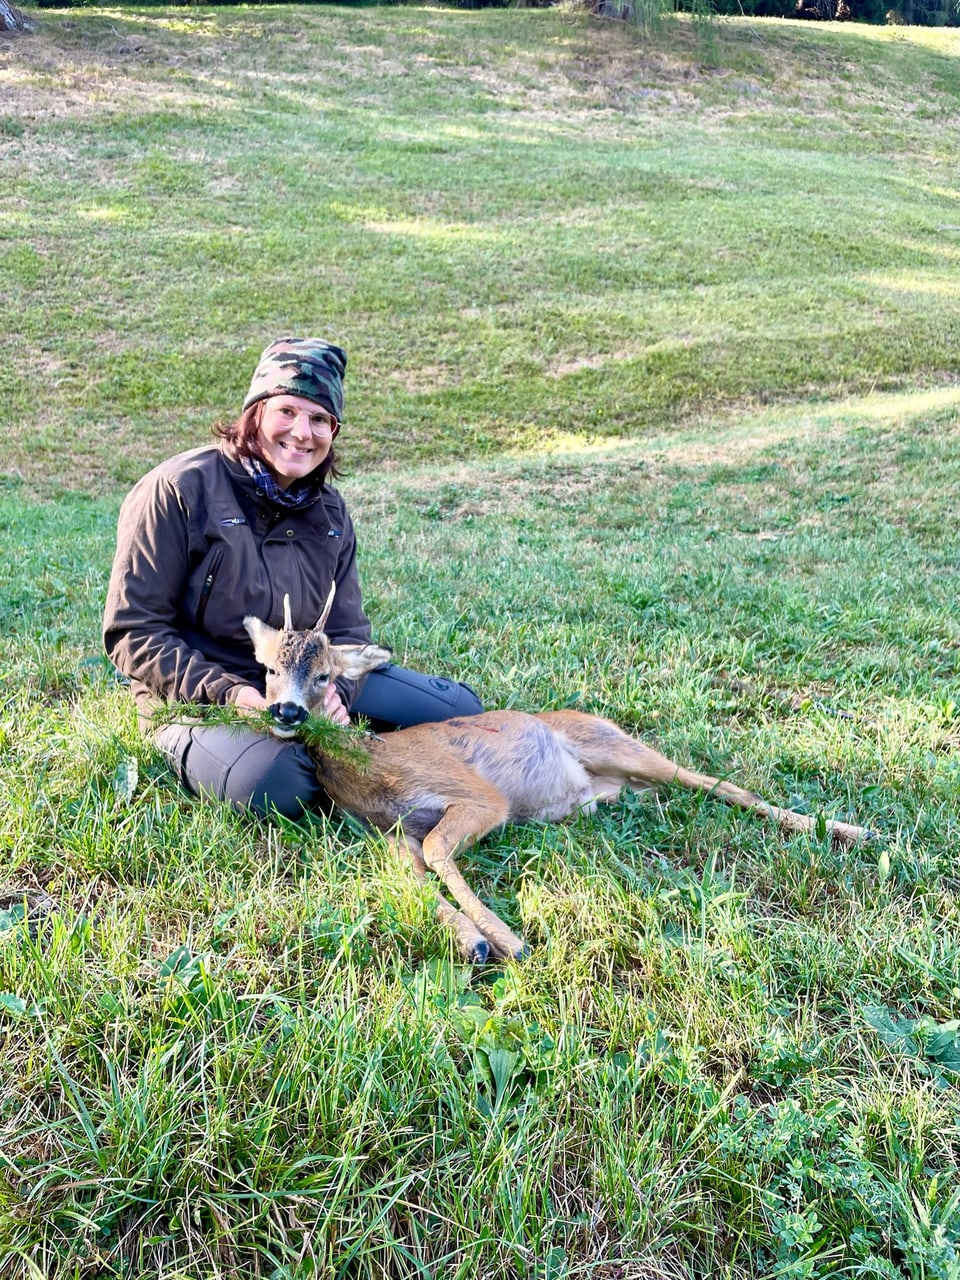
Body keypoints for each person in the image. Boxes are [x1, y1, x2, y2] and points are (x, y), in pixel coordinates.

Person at [103, 337, 483, 819]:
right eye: (287, 411)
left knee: (461, 714)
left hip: (307, 679)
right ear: (255, 412)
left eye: (320, 419)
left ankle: (349, 743)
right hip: (201, 695)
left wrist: (336, 697)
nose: (303, 432)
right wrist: (234, 694)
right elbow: (133, 632)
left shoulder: (330, 512)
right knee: (279, 784)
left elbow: (347, 631)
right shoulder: (178, 489)